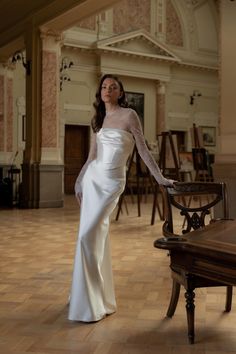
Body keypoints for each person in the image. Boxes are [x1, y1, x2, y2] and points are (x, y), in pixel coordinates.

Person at [68, 73, 175, 323]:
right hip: (93, 180)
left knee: (88, 236)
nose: (108, 90)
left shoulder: (129, 116)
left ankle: (94, 300)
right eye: (104, 86)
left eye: (113, 87)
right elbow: (92, 156)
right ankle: (90, 299)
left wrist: (160, 178)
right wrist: (78, 180)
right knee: (92, 237)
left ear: (120, 92)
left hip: (113, 182)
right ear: (100, 92)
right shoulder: (99, 119)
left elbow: (143, 150)